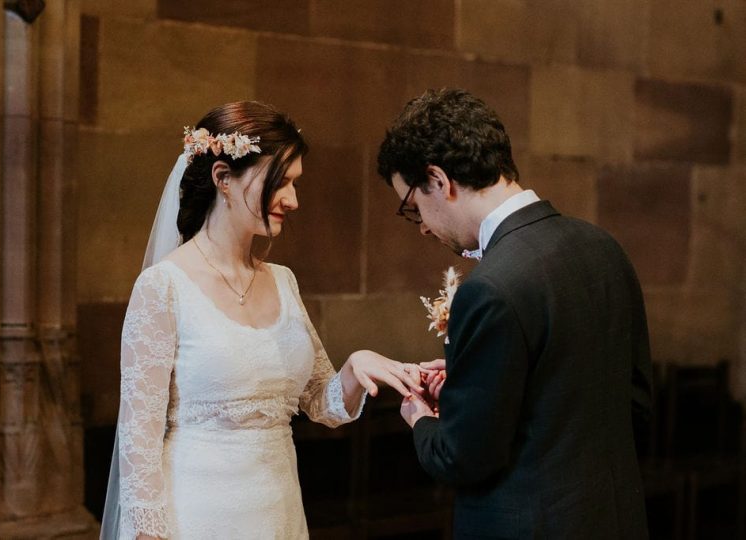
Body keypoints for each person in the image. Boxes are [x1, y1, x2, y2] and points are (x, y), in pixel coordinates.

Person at [100, 101, 424, 539]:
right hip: (195, 514)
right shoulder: (164, 287)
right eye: (281, 182)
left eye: (295, 183)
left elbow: (320, 403)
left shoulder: (283, 282)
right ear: (223, 179)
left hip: (278, 512)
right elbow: (138, 441)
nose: (292, 200)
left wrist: (354, 368)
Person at [377, 88, 652, 539]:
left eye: (412, 207)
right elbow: (633, 405)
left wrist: (419, 415)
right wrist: (478, 379)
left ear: (439, 180)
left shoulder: (491, 287)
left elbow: (461, 456)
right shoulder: (604, 249)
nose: (423, 225)